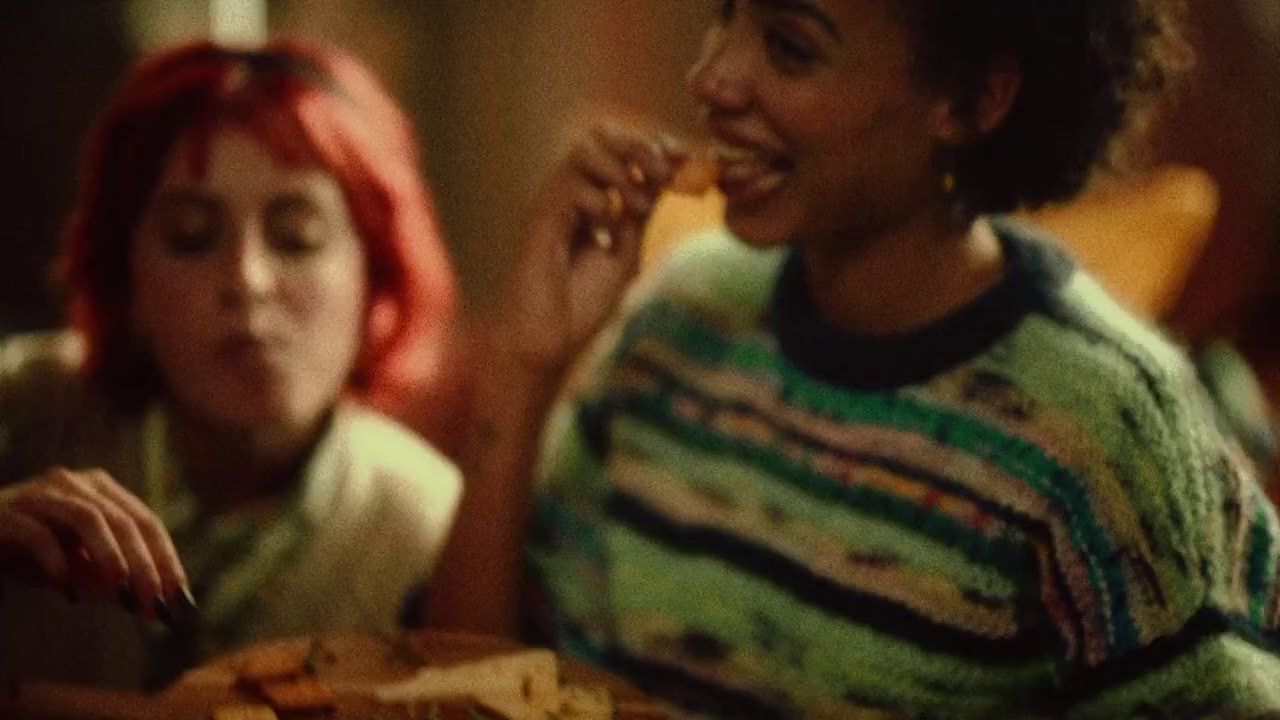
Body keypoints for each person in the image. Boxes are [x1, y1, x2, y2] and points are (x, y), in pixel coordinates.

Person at [427, 0, 1280, 717]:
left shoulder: (1107, 426)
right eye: (726, 17)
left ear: (973, 100)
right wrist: (523, 366)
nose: (712, 79)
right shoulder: (680, 314)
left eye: (790, 48)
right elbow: (481, 682)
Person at [0, 39, 461, 689]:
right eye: (191, 235)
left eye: (296, 237)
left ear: (377, 276)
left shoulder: (430, 529)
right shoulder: (22, 415)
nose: (247, 279)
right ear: (125, 276)